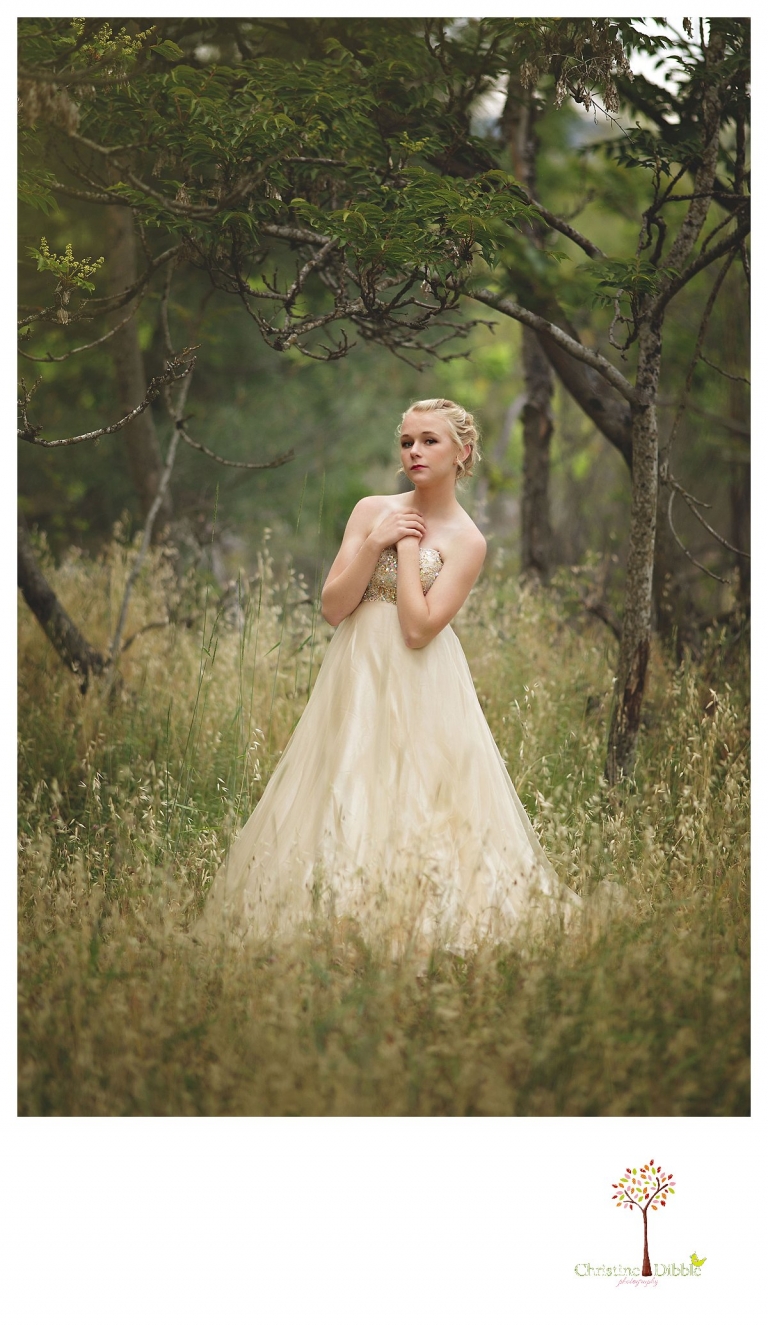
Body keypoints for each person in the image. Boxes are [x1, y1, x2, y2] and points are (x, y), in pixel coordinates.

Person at [200, 398, 577, 952]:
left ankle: (417, 916)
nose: (415, 452)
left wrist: (406, 545)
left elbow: (418, 628)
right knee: (346, 779)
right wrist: (378, 537)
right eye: (407, 442)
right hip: (356, 671)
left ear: (463, 452)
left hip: (422, 677)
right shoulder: (371, 509)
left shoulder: (468, 541)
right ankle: (336, 915)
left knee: (422, 792)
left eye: (430, 440)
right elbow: (333, 607)